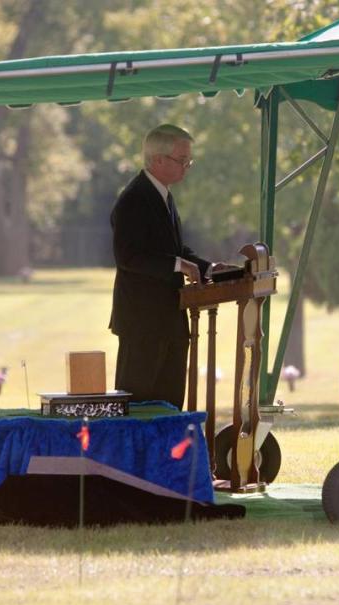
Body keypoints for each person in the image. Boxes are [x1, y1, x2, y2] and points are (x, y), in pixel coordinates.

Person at [109, 124, 211, 407]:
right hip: (143, 324)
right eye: (182, 160)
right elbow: (128, 256)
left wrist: (211, 269)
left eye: (189, 160)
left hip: (169, 322)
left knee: (169, 407)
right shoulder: (134, 198)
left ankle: (167, 453)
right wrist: (179, 265)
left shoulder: (164, 195)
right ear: (158, 160)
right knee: (139, 407)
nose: (187, 166)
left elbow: (175, 251)